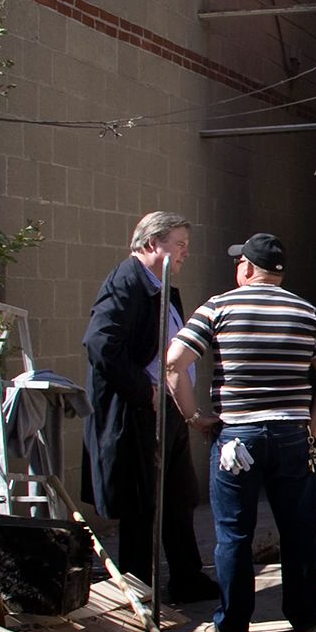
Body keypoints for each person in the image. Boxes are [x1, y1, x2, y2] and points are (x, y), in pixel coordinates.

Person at [163, 232, 316, 632]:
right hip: (291, 435)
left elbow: (174, 363)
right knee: (298, 530)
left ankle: (232, 624)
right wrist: (312, 429)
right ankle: (304, 618)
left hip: (236, 439)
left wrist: (194, 417)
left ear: (245, 268)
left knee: (233, 534)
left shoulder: (218, 307)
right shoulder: (307, 313)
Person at [82, 211, 220, 602]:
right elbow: (100, 345)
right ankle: (137, 588)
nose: (185, 254)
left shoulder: (164, 287)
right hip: (142, 414)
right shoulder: (126, 283)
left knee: (178, 497)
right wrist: (148, 391)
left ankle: (186, 578)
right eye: (179, 245)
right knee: (142, 505)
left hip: (168, 412)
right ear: (149, 245)